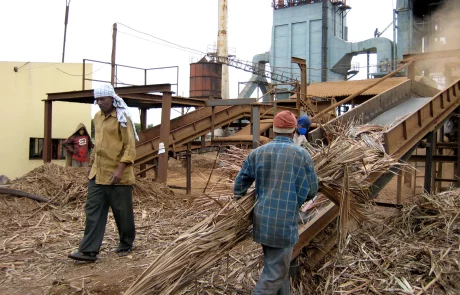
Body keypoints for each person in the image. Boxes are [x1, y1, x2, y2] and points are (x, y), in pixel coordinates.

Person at [234, 110, 318, 294]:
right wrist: (296, 200)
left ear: (274, 129)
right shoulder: (302, 155)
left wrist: (240, 203)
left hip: (262, 221)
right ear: (294, 129)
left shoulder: (258, 153)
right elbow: (312, 189)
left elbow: (240, 182)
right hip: (284, 223)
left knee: (279, 269)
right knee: (274, 275)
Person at [68, 84, 138, 262]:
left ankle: (126, 243)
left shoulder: (123, 118)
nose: (99, 102)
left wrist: (120, 169)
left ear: (112, 99)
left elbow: (129, 146)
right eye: (97, 99)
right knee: (93, 212)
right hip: (98, 174)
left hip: (118, 174)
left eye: (103, 99)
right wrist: (92, 167)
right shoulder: (97, 117)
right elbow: (97, 144)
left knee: (122, 212)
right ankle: (88, 251)